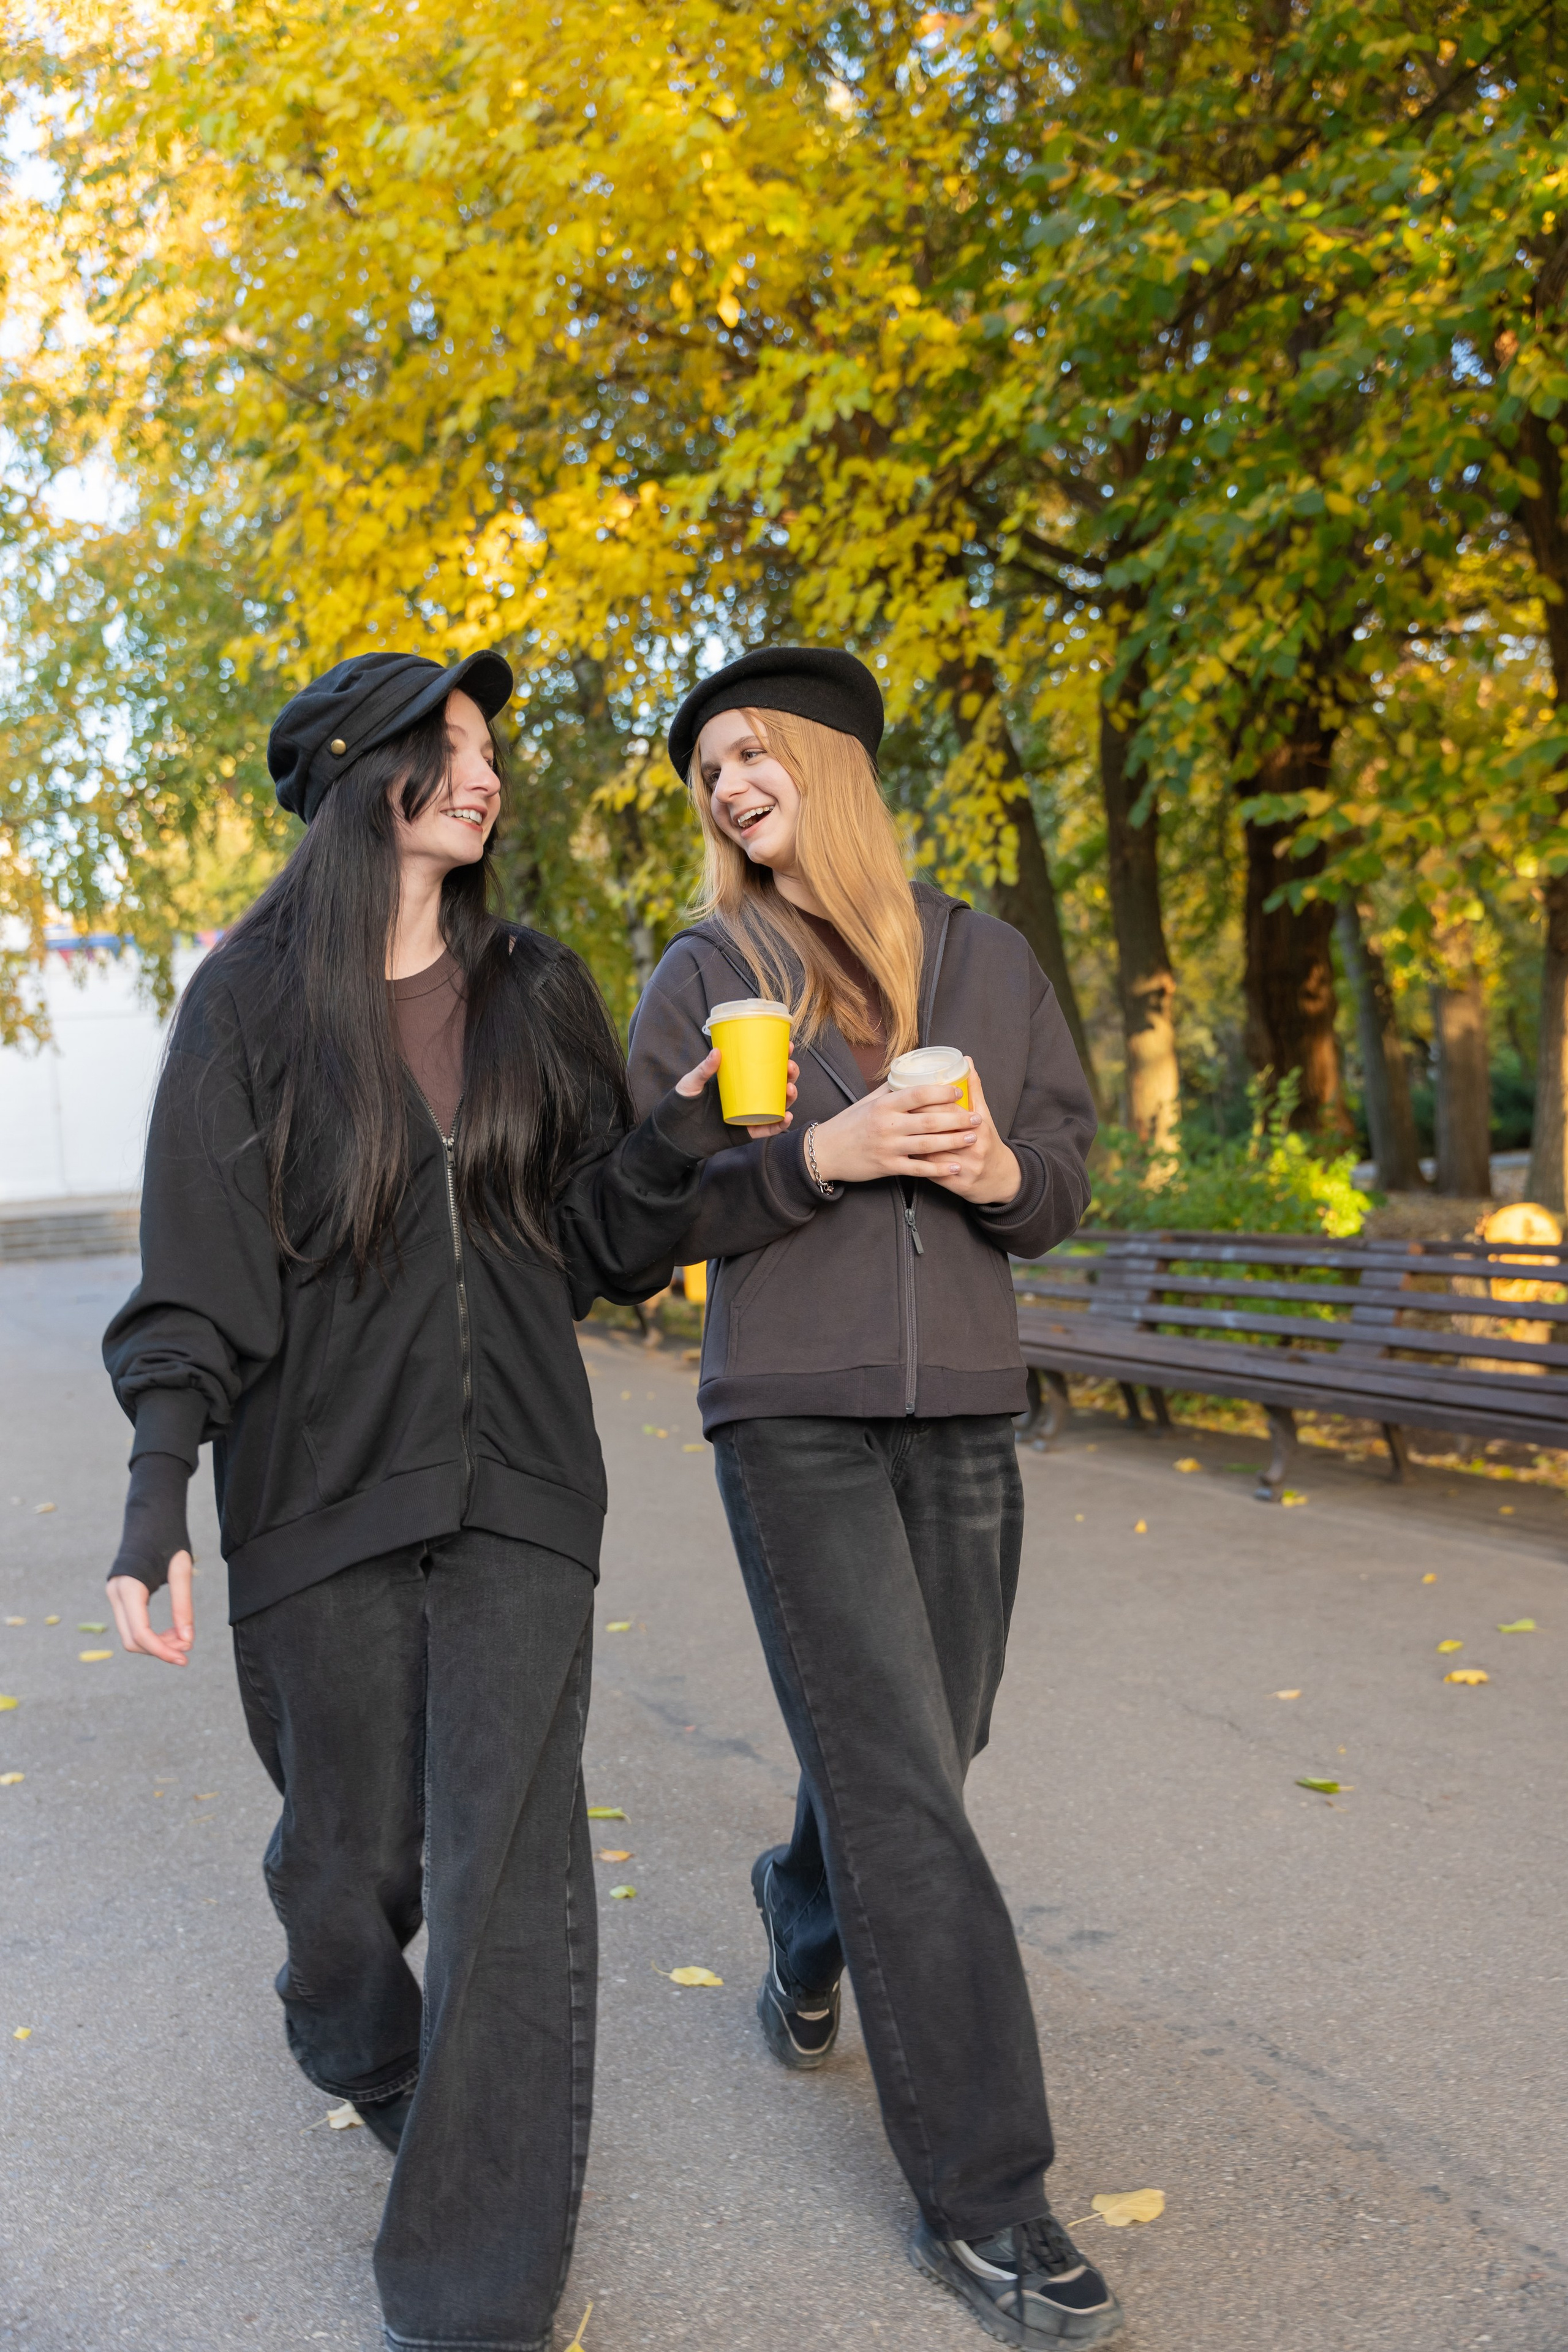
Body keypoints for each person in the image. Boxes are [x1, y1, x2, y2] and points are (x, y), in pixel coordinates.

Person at [102, 649, 738, 2352]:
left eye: (486, 748)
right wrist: (158, 1495)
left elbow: (594, 1242)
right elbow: (196, 1275)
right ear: (352, 775)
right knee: (351, 1867)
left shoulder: (534, 986)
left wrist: (675, 1142)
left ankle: (472, 2301)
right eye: (445, 746)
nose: (483, 772)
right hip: (317, 1499)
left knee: (509, 1881)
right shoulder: (248, 1005)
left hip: (523, 1485)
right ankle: (352, 2029)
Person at [627, 647, 1121, 2350]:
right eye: (707, 771)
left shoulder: (988, 957)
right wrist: (807, 1162)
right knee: (906, 1785)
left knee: (931, 1744)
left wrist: (997, 1168)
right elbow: (639, 1216)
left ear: (832, 761)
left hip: (966, 1408)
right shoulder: (710, 971)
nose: (726, 784)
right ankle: (988, 2196)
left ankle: (799, 1905)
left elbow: (1061, 1177)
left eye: (749, 751)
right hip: (793, 1418)